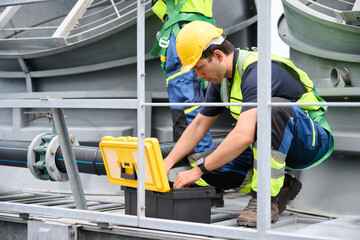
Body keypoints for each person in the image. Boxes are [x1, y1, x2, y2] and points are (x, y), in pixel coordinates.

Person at [164, 21, 334, 227]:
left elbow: (244, 135)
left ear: (218, 55)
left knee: (273, 108)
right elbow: (199, 124)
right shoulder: (221, 81)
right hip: (273, 144)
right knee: (208, 164)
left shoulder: (255, 72)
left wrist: (198, 169)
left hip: (309, 141)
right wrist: (168, 163)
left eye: (200, 68)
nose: (199, 76)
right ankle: (281, 187)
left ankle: (265, 200)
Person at [150, 0, 214, 165]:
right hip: (191, 29)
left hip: (184, 32)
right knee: (187, 103)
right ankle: (191, 165)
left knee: (188, 104)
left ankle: (200, 170)